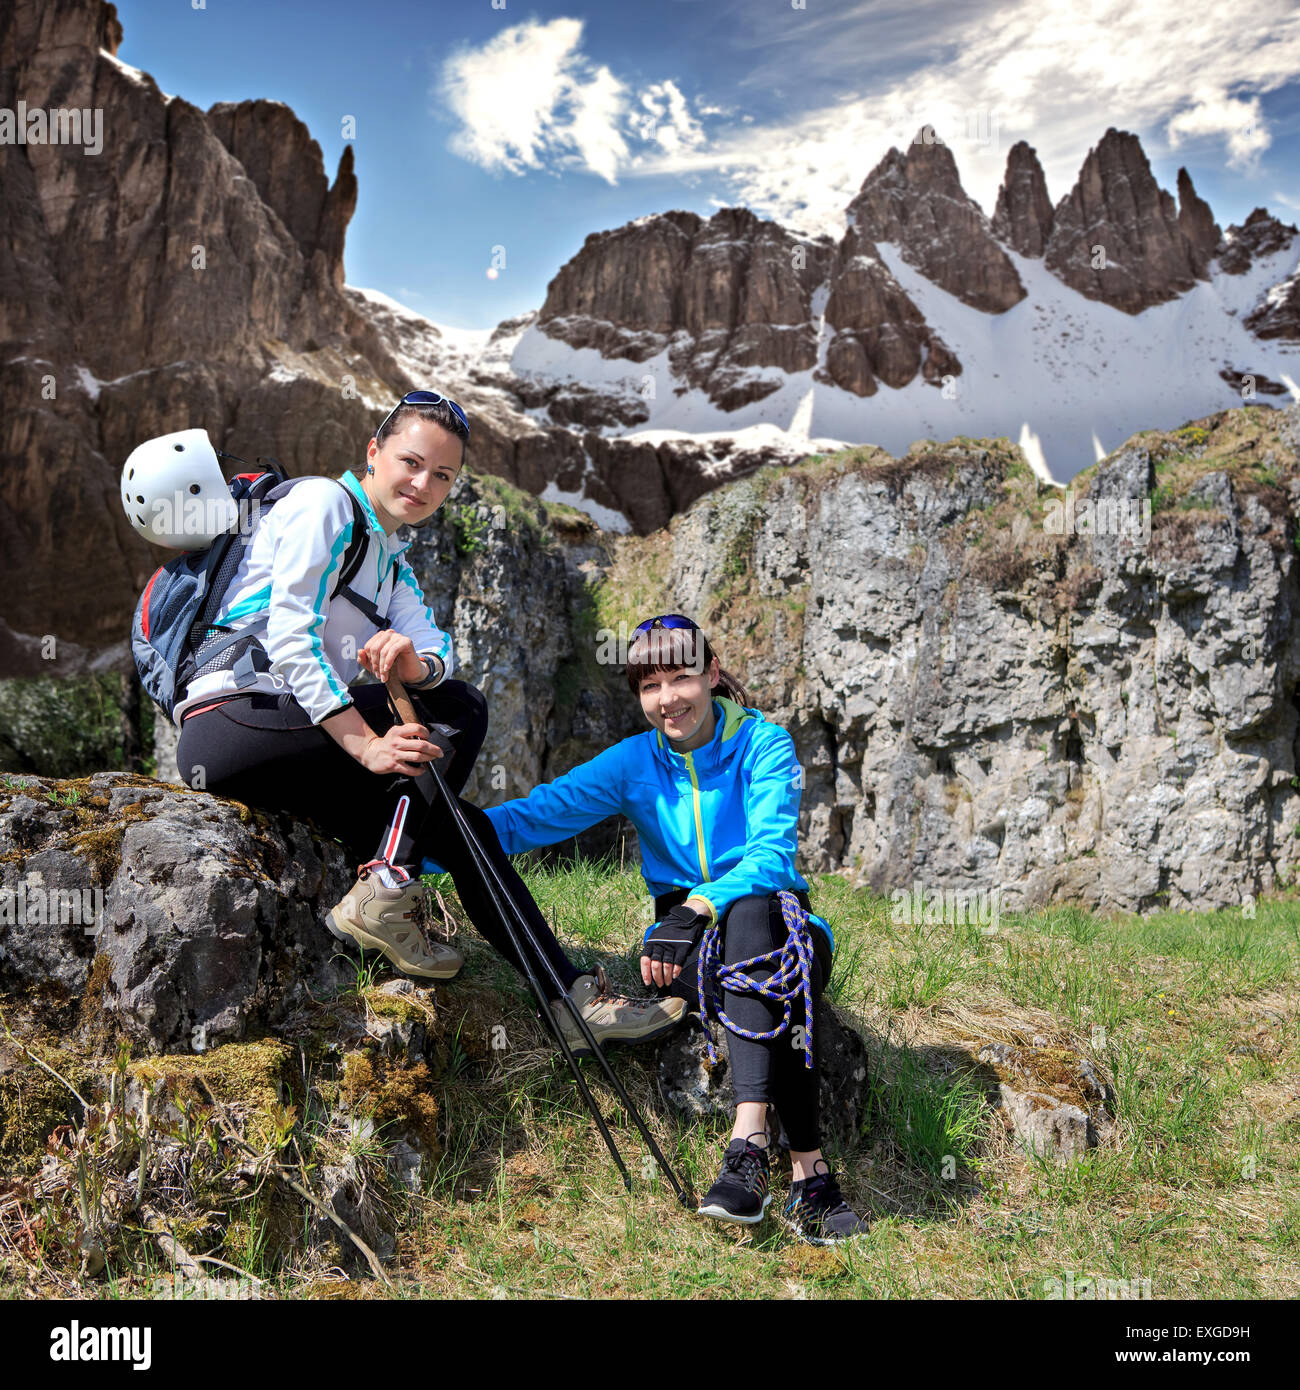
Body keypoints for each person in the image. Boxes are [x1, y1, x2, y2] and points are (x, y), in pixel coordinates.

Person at [170, 390, 685, 1055]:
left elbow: (436, 649)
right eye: (412, 462)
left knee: (462, 822)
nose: (424, 484)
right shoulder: (324, 505)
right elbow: (291, 636)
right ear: (374, 452)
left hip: (294, 738)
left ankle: (570, 1000)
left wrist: (414, 664)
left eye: (443, 475)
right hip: (235, 719)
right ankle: (388, 883)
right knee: (463, 710)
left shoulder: (389, 562)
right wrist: (365, 745)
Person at [455, 615, 869, 1244]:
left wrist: (694, 908)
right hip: (695, 949)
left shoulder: (765, 743)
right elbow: (530, 819)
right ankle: (811, 1180)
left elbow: (770, 857)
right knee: (776, 976)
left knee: (759, 919)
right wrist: (424, 838)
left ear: (711, 673)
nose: (668, 698)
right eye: (651, 686)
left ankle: (747, 1146)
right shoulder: (632, 763)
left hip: (765, 922)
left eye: (681, 677)